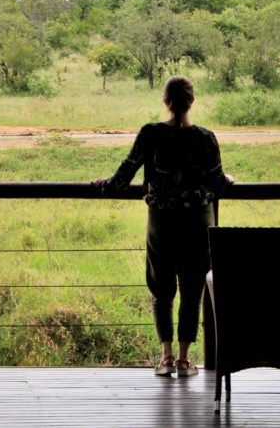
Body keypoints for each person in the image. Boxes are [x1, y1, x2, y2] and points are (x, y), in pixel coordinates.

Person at [92, 75, 233, 377]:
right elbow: (218, 183)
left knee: (162, 287)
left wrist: (101, 186)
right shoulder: (205, 138)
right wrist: (230, 180)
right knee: (192, 288)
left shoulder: (151, 134)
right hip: (197, 221)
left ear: (166, 102)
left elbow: (122, 177)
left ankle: (165, 357)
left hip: (162, 222)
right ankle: (185, 359)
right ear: (191, 101)